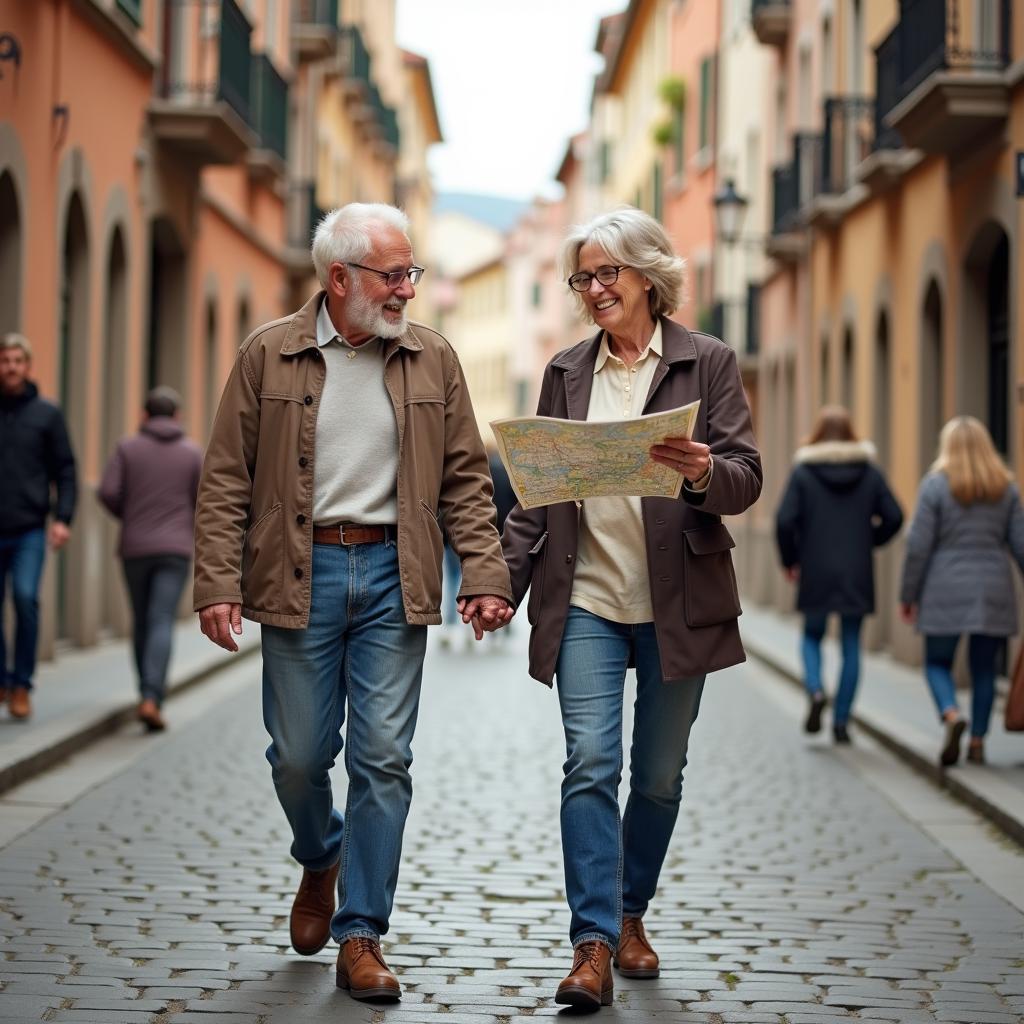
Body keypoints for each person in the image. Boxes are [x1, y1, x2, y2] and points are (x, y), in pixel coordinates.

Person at [193, 202, 513, 1002]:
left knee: (384, 759)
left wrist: (484, 572)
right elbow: (227, 474)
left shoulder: (434, 359)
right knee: (299, 756)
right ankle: (320, 854)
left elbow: (467, 479)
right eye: (392, 274)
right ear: (339, 279)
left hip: (391, 576)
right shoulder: (269, 354)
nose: (407, 289)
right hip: (298, 574)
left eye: (412, 273)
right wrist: (217, 581)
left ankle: (361, 932)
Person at [501, 207, 762, 1010]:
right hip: (584, 598)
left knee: (656, 776)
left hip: (679, 601)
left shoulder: (707, 362)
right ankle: (592, 947)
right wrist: (497, 584)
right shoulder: (566, 371)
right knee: (590, 764)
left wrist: (700, 472)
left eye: (607, 272)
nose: (594, 289)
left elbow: (746, 478)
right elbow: (535, 497)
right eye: (583, 277)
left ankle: (630, 909)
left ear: (648, 275)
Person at [899, 416, 1024, 767]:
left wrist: (908, 595)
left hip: (944, 587)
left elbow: (919, 546)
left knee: (937, 662)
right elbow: (1021, 544)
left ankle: (952, 715)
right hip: (993, 589)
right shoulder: (1007, 489)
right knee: (984, 669)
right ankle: (978, 742)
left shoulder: (935, 486)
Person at [774, 406, 903, 743]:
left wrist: (791, 559)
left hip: (814, 567)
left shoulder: (803, 473)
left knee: (812, 636)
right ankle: (842, 721)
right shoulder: (870, 473)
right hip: (855, 570)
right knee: (851, 645)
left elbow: (784, 521)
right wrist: (869, 541)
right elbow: (895, 516)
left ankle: (816, 691)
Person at [98, 386, 203, 732]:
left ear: (144, 416)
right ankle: (152, 697)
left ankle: (145, 691)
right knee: (161, 620)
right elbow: (205, 499)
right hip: (175, 549)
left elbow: (108, 492)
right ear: (177, 416)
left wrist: (130, 516)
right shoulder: (191, 454)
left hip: (135, 547)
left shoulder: (127, 448)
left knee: (141, 621)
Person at [0, 333, 77, 720]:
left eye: (17, 360)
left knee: (26, 599)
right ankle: (2, 678)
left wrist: (63, 518)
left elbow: (65, 469)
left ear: (27, 366)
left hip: (30, 526)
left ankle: (21, 685)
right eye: (5, 360)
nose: (11, 366)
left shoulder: (47, 414)